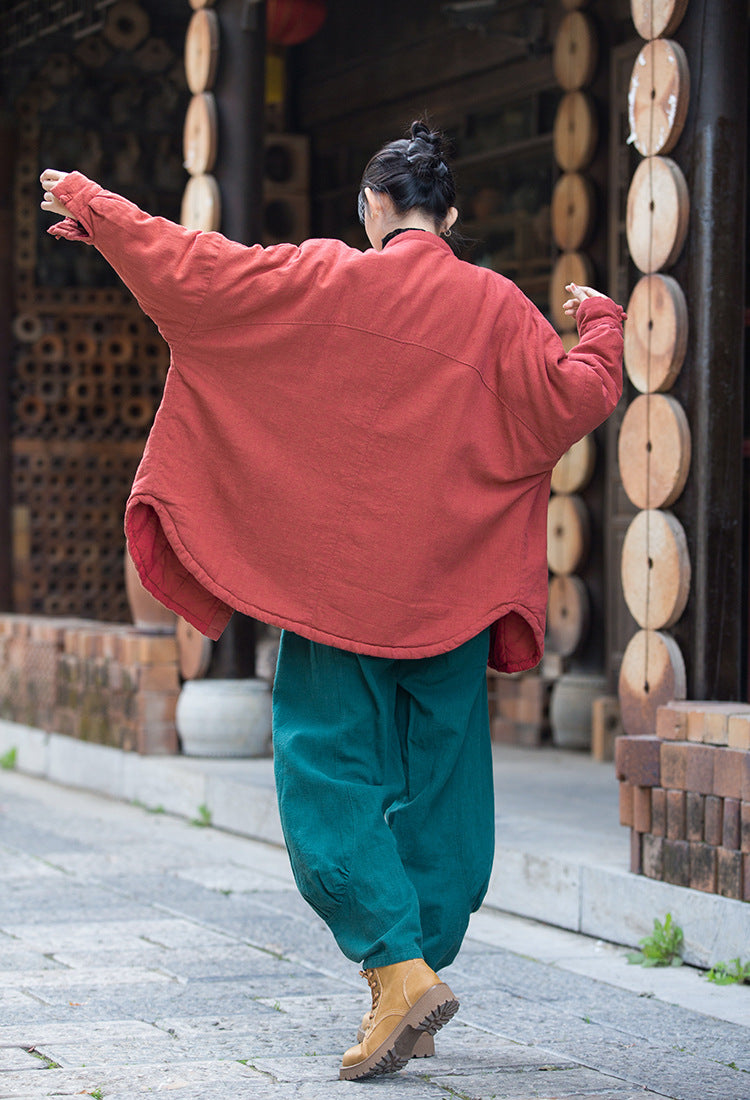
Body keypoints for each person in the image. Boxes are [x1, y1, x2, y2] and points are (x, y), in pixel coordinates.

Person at [40, 120, 624, 1082]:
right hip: (452, 598)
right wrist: (600, 325)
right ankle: (417, 972)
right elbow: (575, 399)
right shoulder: (502, 308)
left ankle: (396, 972)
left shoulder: (327, 276)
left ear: (374, 209)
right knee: (445, 797)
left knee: (324, 778)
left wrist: (105, 216)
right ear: (452, 216)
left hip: (338, 593)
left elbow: (197, 272)